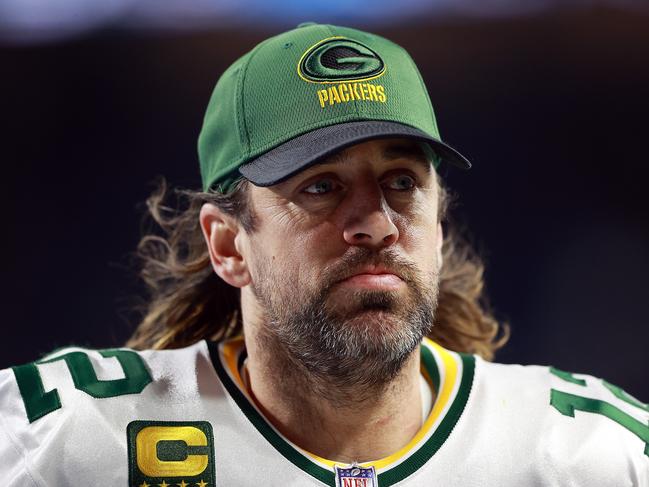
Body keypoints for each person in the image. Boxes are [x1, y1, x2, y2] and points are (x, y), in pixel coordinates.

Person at [1, 22, 647, 487]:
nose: (373, 223)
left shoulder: (590, 453)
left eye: (401, 182)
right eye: (320, 186)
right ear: (229, 245)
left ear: (439, 224)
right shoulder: (65, 438)